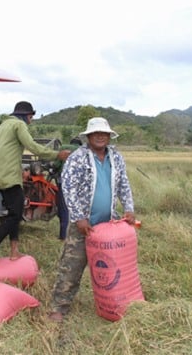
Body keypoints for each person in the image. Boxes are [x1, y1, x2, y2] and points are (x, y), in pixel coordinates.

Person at [48, 117, 135, 322]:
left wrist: (129, 208)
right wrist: (79, 218)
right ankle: (58, 307)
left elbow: (123, 184)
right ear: (88, 136)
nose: (100, 136)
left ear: (109, 136)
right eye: (96, 133)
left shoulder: (116, 157)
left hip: (109, 224)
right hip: (84, 224)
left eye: (104, 133)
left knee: (111, 267)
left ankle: (112, 304)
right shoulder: (77, 157)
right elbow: (68, 189)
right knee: (72, 265)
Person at [0, 101, 71, 265]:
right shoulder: (19, 126)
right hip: (10, 177)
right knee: (16, 214)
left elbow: (6, 151)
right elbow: (33, 147)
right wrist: (57, 155)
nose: (31, 120)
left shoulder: (1, 126)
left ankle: (14, 251)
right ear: (24, 116)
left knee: (13, 213)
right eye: (31, 116)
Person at [56, 137, 82, 240]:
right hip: (80, 183)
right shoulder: (84, 150)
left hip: (65, 182)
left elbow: (56, 164)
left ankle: (63, 235)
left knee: (64, 208)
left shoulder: (64, 147)